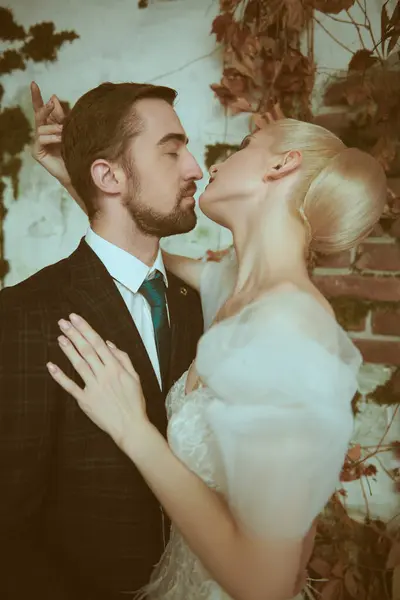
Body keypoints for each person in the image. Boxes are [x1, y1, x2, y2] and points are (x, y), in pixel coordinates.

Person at [42, 99, 387, 598]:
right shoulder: (230, 289)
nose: (211, 165)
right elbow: (131, 247)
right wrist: (85, 178)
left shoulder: (291, 330)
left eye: (246, 145)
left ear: (282, 163)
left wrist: (132, 428)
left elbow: (264, 584)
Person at [0, 81, 205, 600]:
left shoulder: (201, 300)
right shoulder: (26, 315)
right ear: (107, 175)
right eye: (172, 151)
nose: (194, 169)